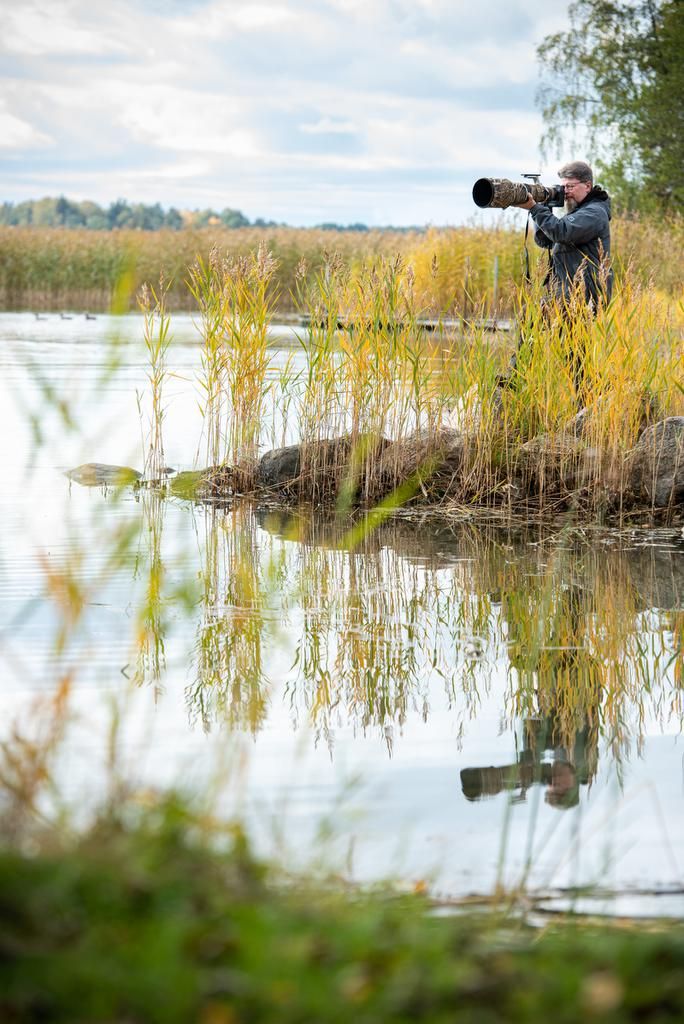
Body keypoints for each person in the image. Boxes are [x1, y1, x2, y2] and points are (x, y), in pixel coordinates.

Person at [515, 160, 613, 311]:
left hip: (584, 296)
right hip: (568, 292)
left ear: (587, 186)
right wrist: (543, 205)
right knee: (528, 316)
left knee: (531, 316)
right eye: (563, 187)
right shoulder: (580, 211)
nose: (565, 192)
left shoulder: (594, 212)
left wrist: (535, 209)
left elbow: (561, 232)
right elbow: (546, 240)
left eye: (570, 187)